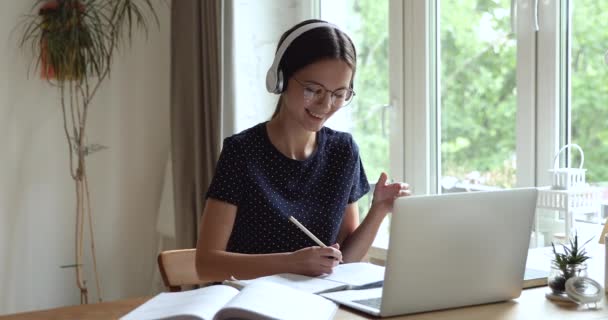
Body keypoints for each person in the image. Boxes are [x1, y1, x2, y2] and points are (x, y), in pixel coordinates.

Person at [195, 19, 410, 282]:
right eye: (313, 90)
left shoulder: (343, 152)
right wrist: (289, 263)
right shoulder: (241, 152)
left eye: (339, 94)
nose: (326, 104)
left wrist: (378, 210)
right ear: (280, 79)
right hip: (249, 305)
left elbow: (345, 260)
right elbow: (206, 265)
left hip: (317, 305)